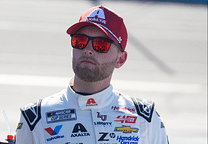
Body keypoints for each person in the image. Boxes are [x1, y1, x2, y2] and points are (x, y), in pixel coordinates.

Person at [15, 5, 169, 144]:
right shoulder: (35, 117)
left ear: (120, 59)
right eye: (80, 41)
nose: (88, 49)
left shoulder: (145, 117)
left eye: (101, 45)